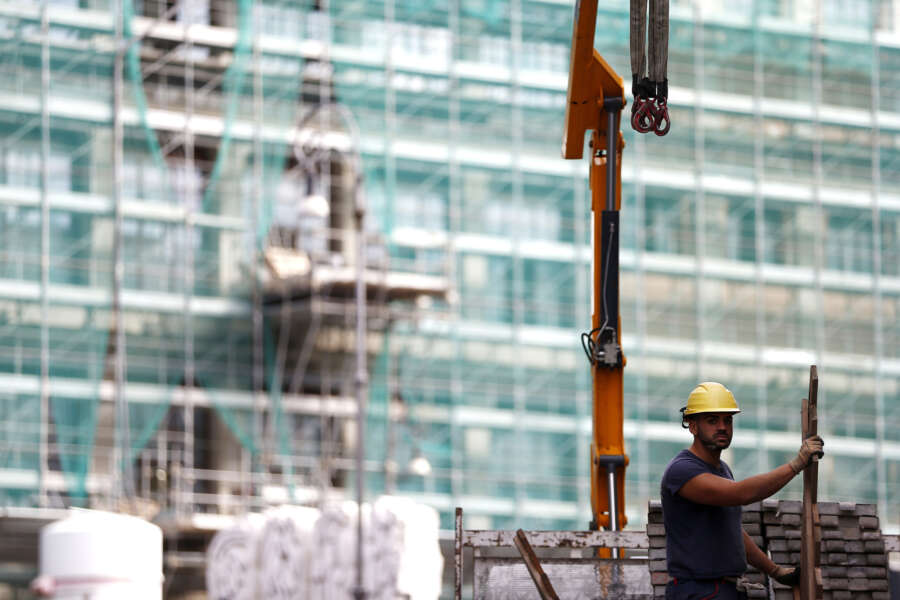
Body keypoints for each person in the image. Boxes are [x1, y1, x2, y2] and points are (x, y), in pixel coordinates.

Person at [661, 381, 825, 599]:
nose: (722, 427)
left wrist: (774, 571)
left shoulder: (722, 470)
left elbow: (731, 531)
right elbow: (741, 493)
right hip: (698, 591)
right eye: (712, 420)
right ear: (692, 425)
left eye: (727, 420)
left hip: (723, 589)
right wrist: (796, 464)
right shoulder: (682, 471)